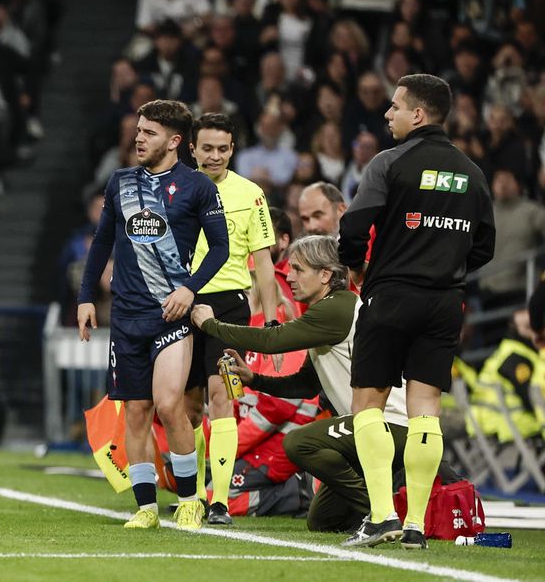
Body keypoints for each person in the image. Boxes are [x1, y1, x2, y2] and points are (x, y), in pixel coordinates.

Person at [338, 74, 495, 549]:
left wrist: (357, 266)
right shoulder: (472, 171)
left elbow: (354, 226)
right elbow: (484, 247)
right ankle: (415, 526)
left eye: (394, 107)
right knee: (426, 410)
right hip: (446, 302)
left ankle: (383, 514)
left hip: (390, 296)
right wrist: (444, 264)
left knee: (369, 403)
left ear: (418, 115)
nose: (387, 114)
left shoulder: (389, 162)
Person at [191, 235, 421, 533]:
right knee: (322, 520)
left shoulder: (335, 308)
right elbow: (306, 385)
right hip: (370, 429)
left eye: (299, 269)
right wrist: (255, 379)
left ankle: (382, 513)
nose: (289, 275)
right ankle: (387, 503)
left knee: (300, 442)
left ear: (326, 275)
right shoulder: (328, 311)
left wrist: (212, 326)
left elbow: (271, 339)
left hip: (389, 425)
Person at [76, 100, 229, 531]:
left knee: (168, 404)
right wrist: (86, 296)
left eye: (149, 132)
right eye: (139, 130)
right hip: (125, 315)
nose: (139, 137)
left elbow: (220, 248)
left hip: (170, 313)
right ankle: (146, 509)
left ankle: (189, 500)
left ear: (175, 141)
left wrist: (189, 288)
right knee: (137, 411)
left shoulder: (198, 187)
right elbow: (102, 241)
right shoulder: (120, 181)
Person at [184, 112, 277, 526]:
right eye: (208, 148)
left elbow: (263, 263)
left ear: (233, 150)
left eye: (223, 149)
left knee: (222, 399)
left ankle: (219, 501)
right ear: (192, 149)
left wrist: (272, 321)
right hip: (179, 304)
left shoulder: (251, 194)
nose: (216, 156)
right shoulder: (174, 189)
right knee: (183, 407)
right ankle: (192, 494)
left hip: (229, 310)